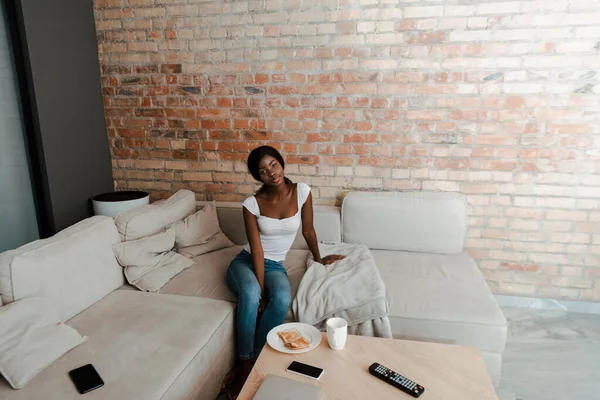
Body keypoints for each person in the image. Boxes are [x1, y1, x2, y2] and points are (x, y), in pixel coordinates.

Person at [223, 145, 344, 398]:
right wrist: (260, 292)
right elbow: (256, 250)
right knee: (251, 293)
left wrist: (319, 258)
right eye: (263, 171)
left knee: (281, 299)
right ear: (259, 177)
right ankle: (244, 364)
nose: (271, 173)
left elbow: (308, 231)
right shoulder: (251, 204)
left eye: (273, 165)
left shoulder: (302, 192)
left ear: (282, 164)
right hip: (246, 261)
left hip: (275, 265)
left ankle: (258, 356)